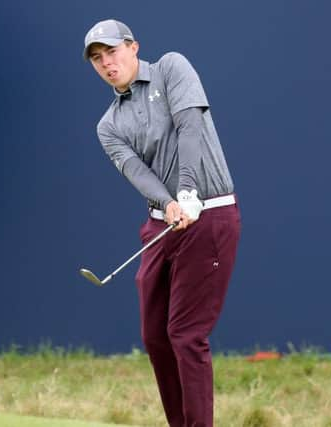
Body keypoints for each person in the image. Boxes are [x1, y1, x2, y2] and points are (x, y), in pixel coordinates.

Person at [83, 19, 241, 427]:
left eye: (112, 53)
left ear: (133, 47)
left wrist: (187, 192)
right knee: (155, 336)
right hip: (161, 226)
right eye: (98, 60)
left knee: (186, 336)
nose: (107, 64)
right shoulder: (109, 125)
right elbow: (138, 173)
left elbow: (190, 128)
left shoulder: (172, 68)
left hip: (209, 216)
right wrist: (168, 202)